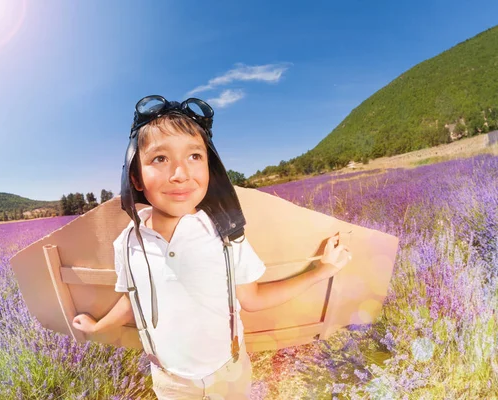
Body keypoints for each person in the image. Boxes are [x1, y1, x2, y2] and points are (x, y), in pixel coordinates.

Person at [72, 95, 352, 399]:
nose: (180, 174)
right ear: (136, 178)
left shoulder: (226, 233)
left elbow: (253, 299)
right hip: (170, 382)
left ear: (210, 169)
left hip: (228, 374)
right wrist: (98, 328)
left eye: (194, 156)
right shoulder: (127, 243)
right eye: (160, 159)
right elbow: (133, 300)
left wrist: (322, 270)